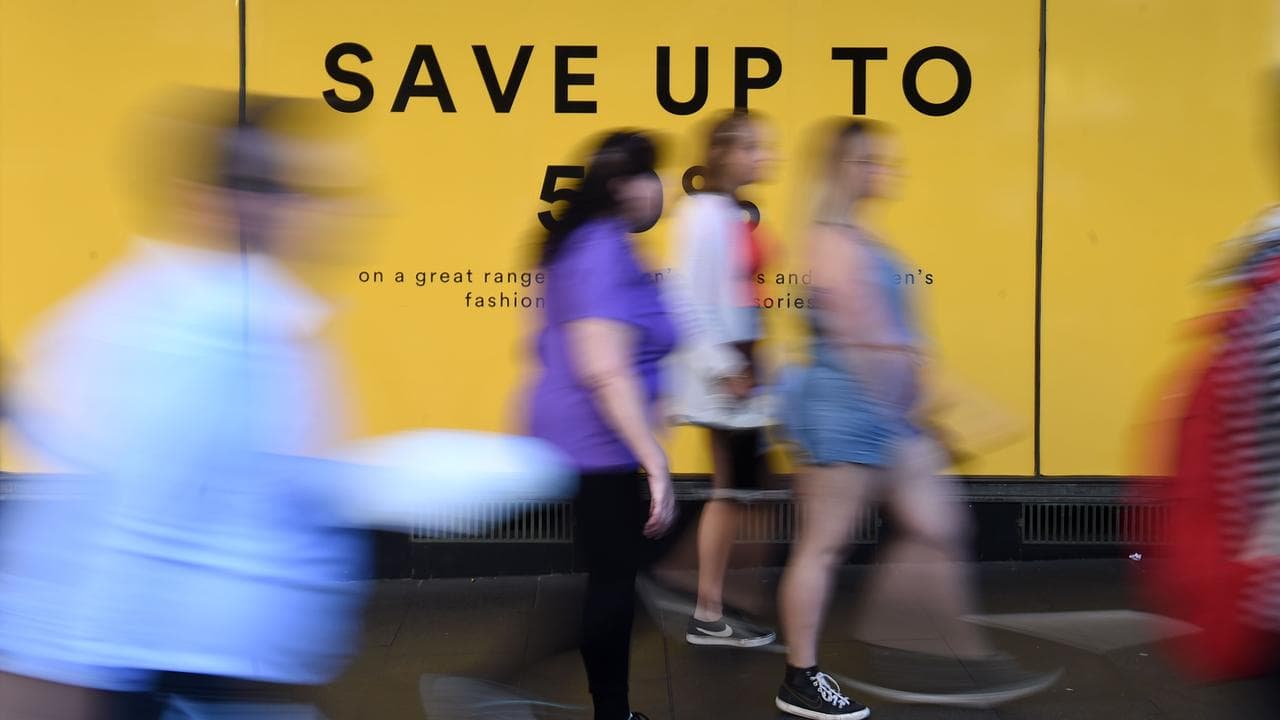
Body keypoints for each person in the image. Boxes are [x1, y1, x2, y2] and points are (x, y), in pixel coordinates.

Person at [0, 89, 575, 720]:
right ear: (218, 199)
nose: (320, 210)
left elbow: (253, 485)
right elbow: (109, 541)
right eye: (294, 188)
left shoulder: (255, 322)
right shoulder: (181, 339)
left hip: (225, 683)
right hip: (168, 686)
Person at [773, 119, 1055, 719]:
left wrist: (918, 405)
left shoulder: (860, 237)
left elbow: (891, 344)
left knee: (938, 524)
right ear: (844, 168)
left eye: (884, 160)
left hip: (887, 415)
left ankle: (926, 651)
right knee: (822, 548)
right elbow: (863, 342)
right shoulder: (830, 240)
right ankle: (801, 675)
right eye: (871, 160)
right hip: (847, 413)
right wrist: (923, 410)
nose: (884, 170)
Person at [526, 130, 677, 720]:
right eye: (650, 175)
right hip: (597, 442)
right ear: (623, 186)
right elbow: (602, 368)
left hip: (590, 436)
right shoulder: (602, 248)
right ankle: (509, 683)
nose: (659, 188)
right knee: (615, 583)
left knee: (616, 577)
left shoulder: (586, 244)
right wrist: (655, 459)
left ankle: (517, 683)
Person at [661, 109, 777, 648]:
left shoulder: (727, 213)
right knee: (737, 491)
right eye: (753, 147)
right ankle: (707, 604)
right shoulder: (702, 215)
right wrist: (728, 368)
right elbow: (685, 300)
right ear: (725, 152)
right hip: (725, 373)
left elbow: (737, 294)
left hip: (741, 368)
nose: (764, 155)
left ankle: (715, 598)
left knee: (743, 490)